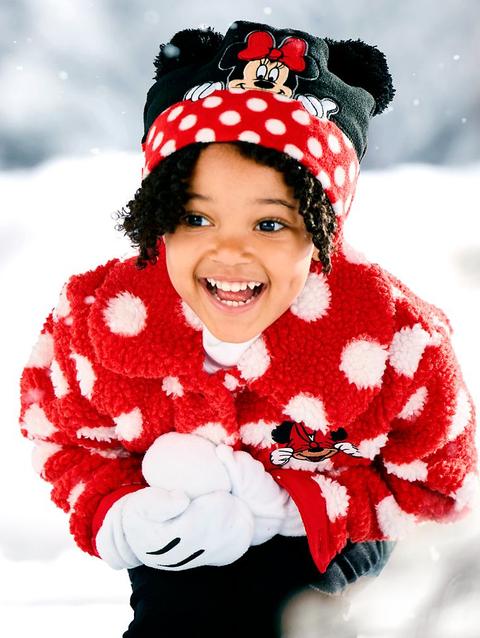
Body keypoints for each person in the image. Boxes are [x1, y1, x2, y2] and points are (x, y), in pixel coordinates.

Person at [18, 19, 478, 638]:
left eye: (268, 225)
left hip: (334, 545)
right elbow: (67, 439)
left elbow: (442, 487)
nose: (229, 253)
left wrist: (298, 509)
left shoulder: (391, 339)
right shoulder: (100, 322)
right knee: (183, 614)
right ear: (158, 223)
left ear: (320, 234)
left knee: (285, 614)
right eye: (196, 219)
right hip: (181, 540)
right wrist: (120, 511)